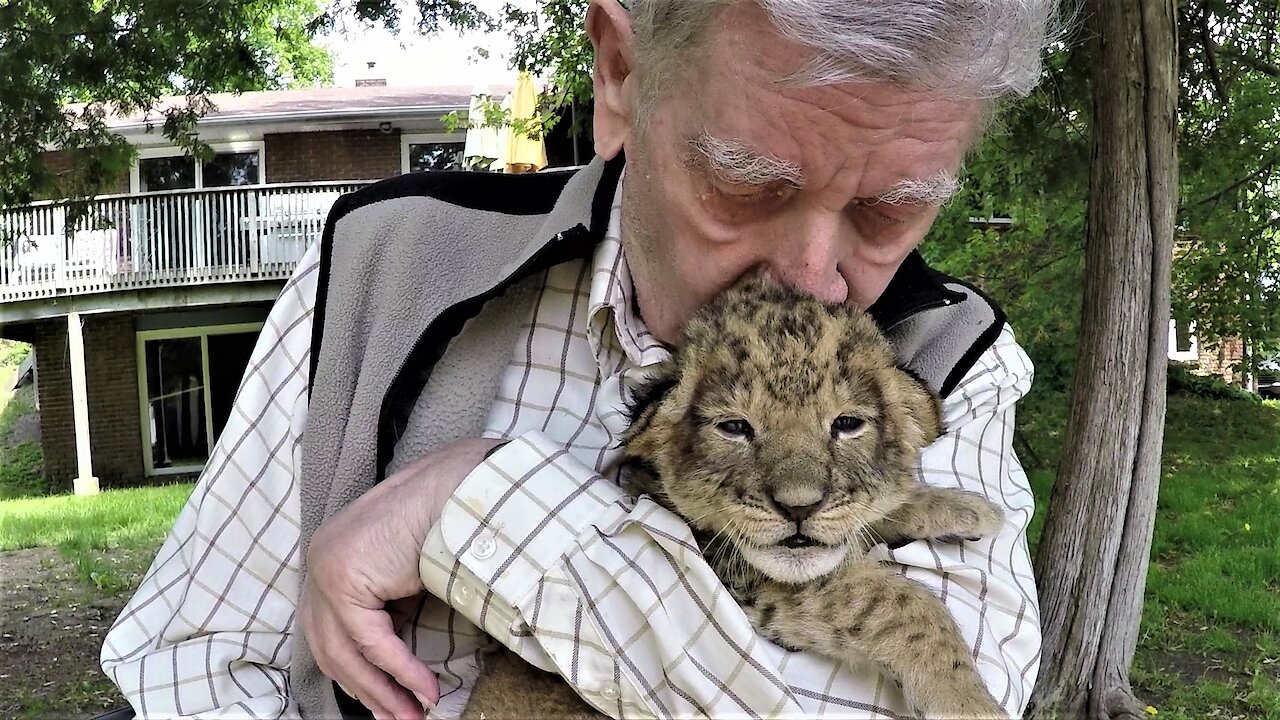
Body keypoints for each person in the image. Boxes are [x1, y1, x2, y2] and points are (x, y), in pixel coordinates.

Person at [100, 0, 1058, 717]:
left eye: (890, 209)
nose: (812, 279)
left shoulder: (953, 358)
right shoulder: (385, 267)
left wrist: (472, 508)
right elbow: (191, 666)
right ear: (620, 72)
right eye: (743, 185)